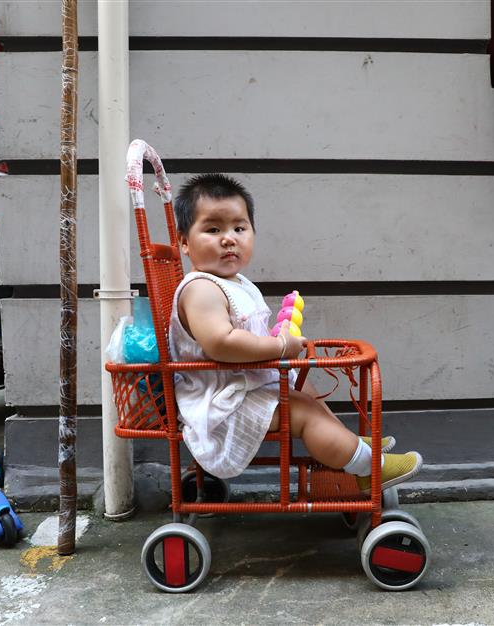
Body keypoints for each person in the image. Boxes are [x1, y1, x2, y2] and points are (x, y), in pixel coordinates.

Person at [169, 173, 422, 492]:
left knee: (305, 388)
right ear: (184, 242)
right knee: (301, 410)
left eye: (239, 227)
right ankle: (367, 468)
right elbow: (221, 343)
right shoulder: (201, 290)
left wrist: (280, 335)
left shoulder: (235, 282)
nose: (229, 238)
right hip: (220, 405)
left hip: (241, 387)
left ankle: (347, 444)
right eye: (213, 229)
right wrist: (277, 345)